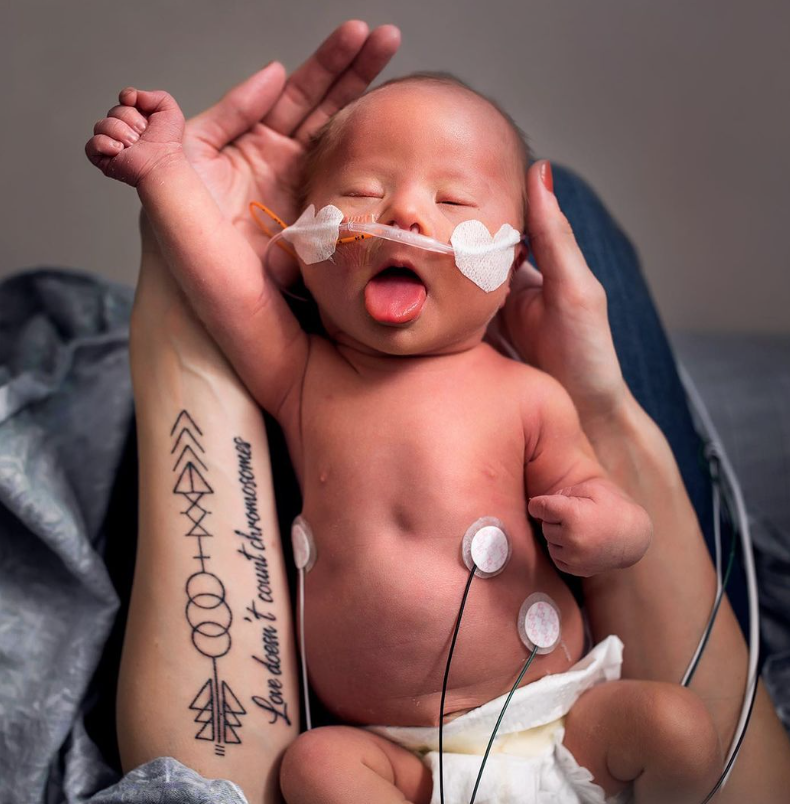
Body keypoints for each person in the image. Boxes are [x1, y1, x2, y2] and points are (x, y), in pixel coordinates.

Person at [102, 19, 790, 804]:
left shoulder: (529, 392)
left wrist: (607, 532)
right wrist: (164, 177)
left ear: (513, 263)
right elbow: (225, 289)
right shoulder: (304, 380)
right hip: (401, 756)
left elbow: (609, 499)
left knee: (679, 728)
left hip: (559, 726)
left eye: (453, 197)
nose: (407, 215)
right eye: (362, 194)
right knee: (313, 770)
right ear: (297, 244)